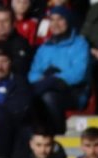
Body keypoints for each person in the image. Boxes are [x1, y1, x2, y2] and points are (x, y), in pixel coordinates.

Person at [27, 6, 90, 134]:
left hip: (73, 91)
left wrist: (54, 78)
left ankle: (58, 134)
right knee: (32, 97)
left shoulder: (80, 44)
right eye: (52, 20)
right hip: (44, 87)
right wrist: (45, 79)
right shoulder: (44, 47)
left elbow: (79, 73)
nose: (55, 24)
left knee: (47, 96)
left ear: (68, 21)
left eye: (60, 19)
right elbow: (33, 74)